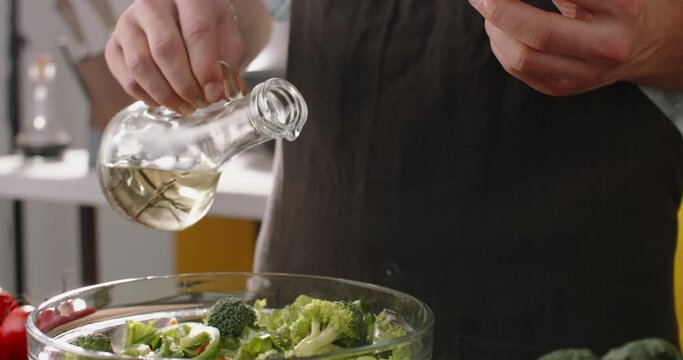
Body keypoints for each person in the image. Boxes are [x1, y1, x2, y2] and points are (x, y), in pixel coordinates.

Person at [105, 0, 683, 358]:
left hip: (565, 319)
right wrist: (204, 18)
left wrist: (659, 38)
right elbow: (258, 10)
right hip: (304, 306)